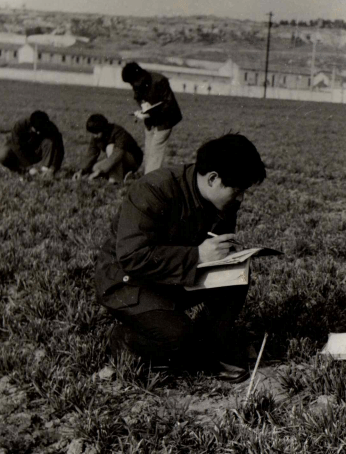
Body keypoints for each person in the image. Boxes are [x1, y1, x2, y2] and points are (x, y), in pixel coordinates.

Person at [94, 133, 266, 381]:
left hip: (173, 275)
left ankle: (207, 347)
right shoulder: (154, 189)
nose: (241, 198)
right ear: (213, 179)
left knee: (237, 276)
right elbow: (132, 257)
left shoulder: (224, 201)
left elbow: (214, 245)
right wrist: (198, 255)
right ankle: (125, 339)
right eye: (238, 191)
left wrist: (227, 257)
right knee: (178, 337)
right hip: (127, 282)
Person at [121, 61, 182, 174]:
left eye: (132, 82)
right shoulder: (136, 83)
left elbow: (169, 104)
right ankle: (146, 175)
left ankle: (150, 179)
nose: (132, 86)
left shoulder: (160, 80)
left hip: (165, 120)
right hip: (150, 120)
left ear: (137, 76)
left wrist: (150, 113)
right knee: (149, 150)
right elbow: (138, 98)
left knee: (156, 152)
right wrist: (143, 107)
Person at [73, 114, 143, 184]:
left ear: (103, 128)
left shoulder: (118, 132)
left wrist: (101, 170)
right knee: (95, 168)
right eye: (93, 133)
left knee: (110, 147)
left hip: (133, 160)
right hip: (117, 160)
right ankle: (126, 175)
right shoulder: (96, 136)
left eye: (96, 133)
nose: (94, 136)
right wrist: (81, 171)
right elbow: (91, 154)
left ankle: (115, 180)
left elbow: (117, 154)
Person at [0, 110, 64, 177]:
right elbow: (16, 147)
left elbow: (60, 149)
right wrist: (29, 167)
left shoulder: (51, 127)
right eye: (36, 130)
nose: (38, 133)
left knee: (49, 142)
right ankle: (20, 170)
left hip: (38, 152)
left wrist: (53, 168)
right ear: (31, 125)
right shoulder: (20, 125)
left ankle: (45, 171)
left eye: (41, 130)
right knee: (2, 154)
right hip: (22, 152)